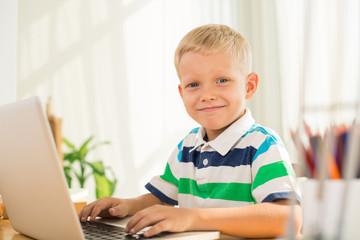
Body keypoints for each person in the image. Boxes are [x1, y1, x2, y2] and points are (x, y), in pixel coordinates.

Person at [79, 24, 302, 238]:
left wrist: (191, 217)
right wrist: (127, 205)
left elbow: (288, 219)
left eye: (222, 80)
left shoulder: (262, 145)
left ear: (249, 86)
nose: (207, 94)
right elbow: (163, 200)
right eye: (194, 84)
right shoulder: (187, 146)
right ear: (181, 92)